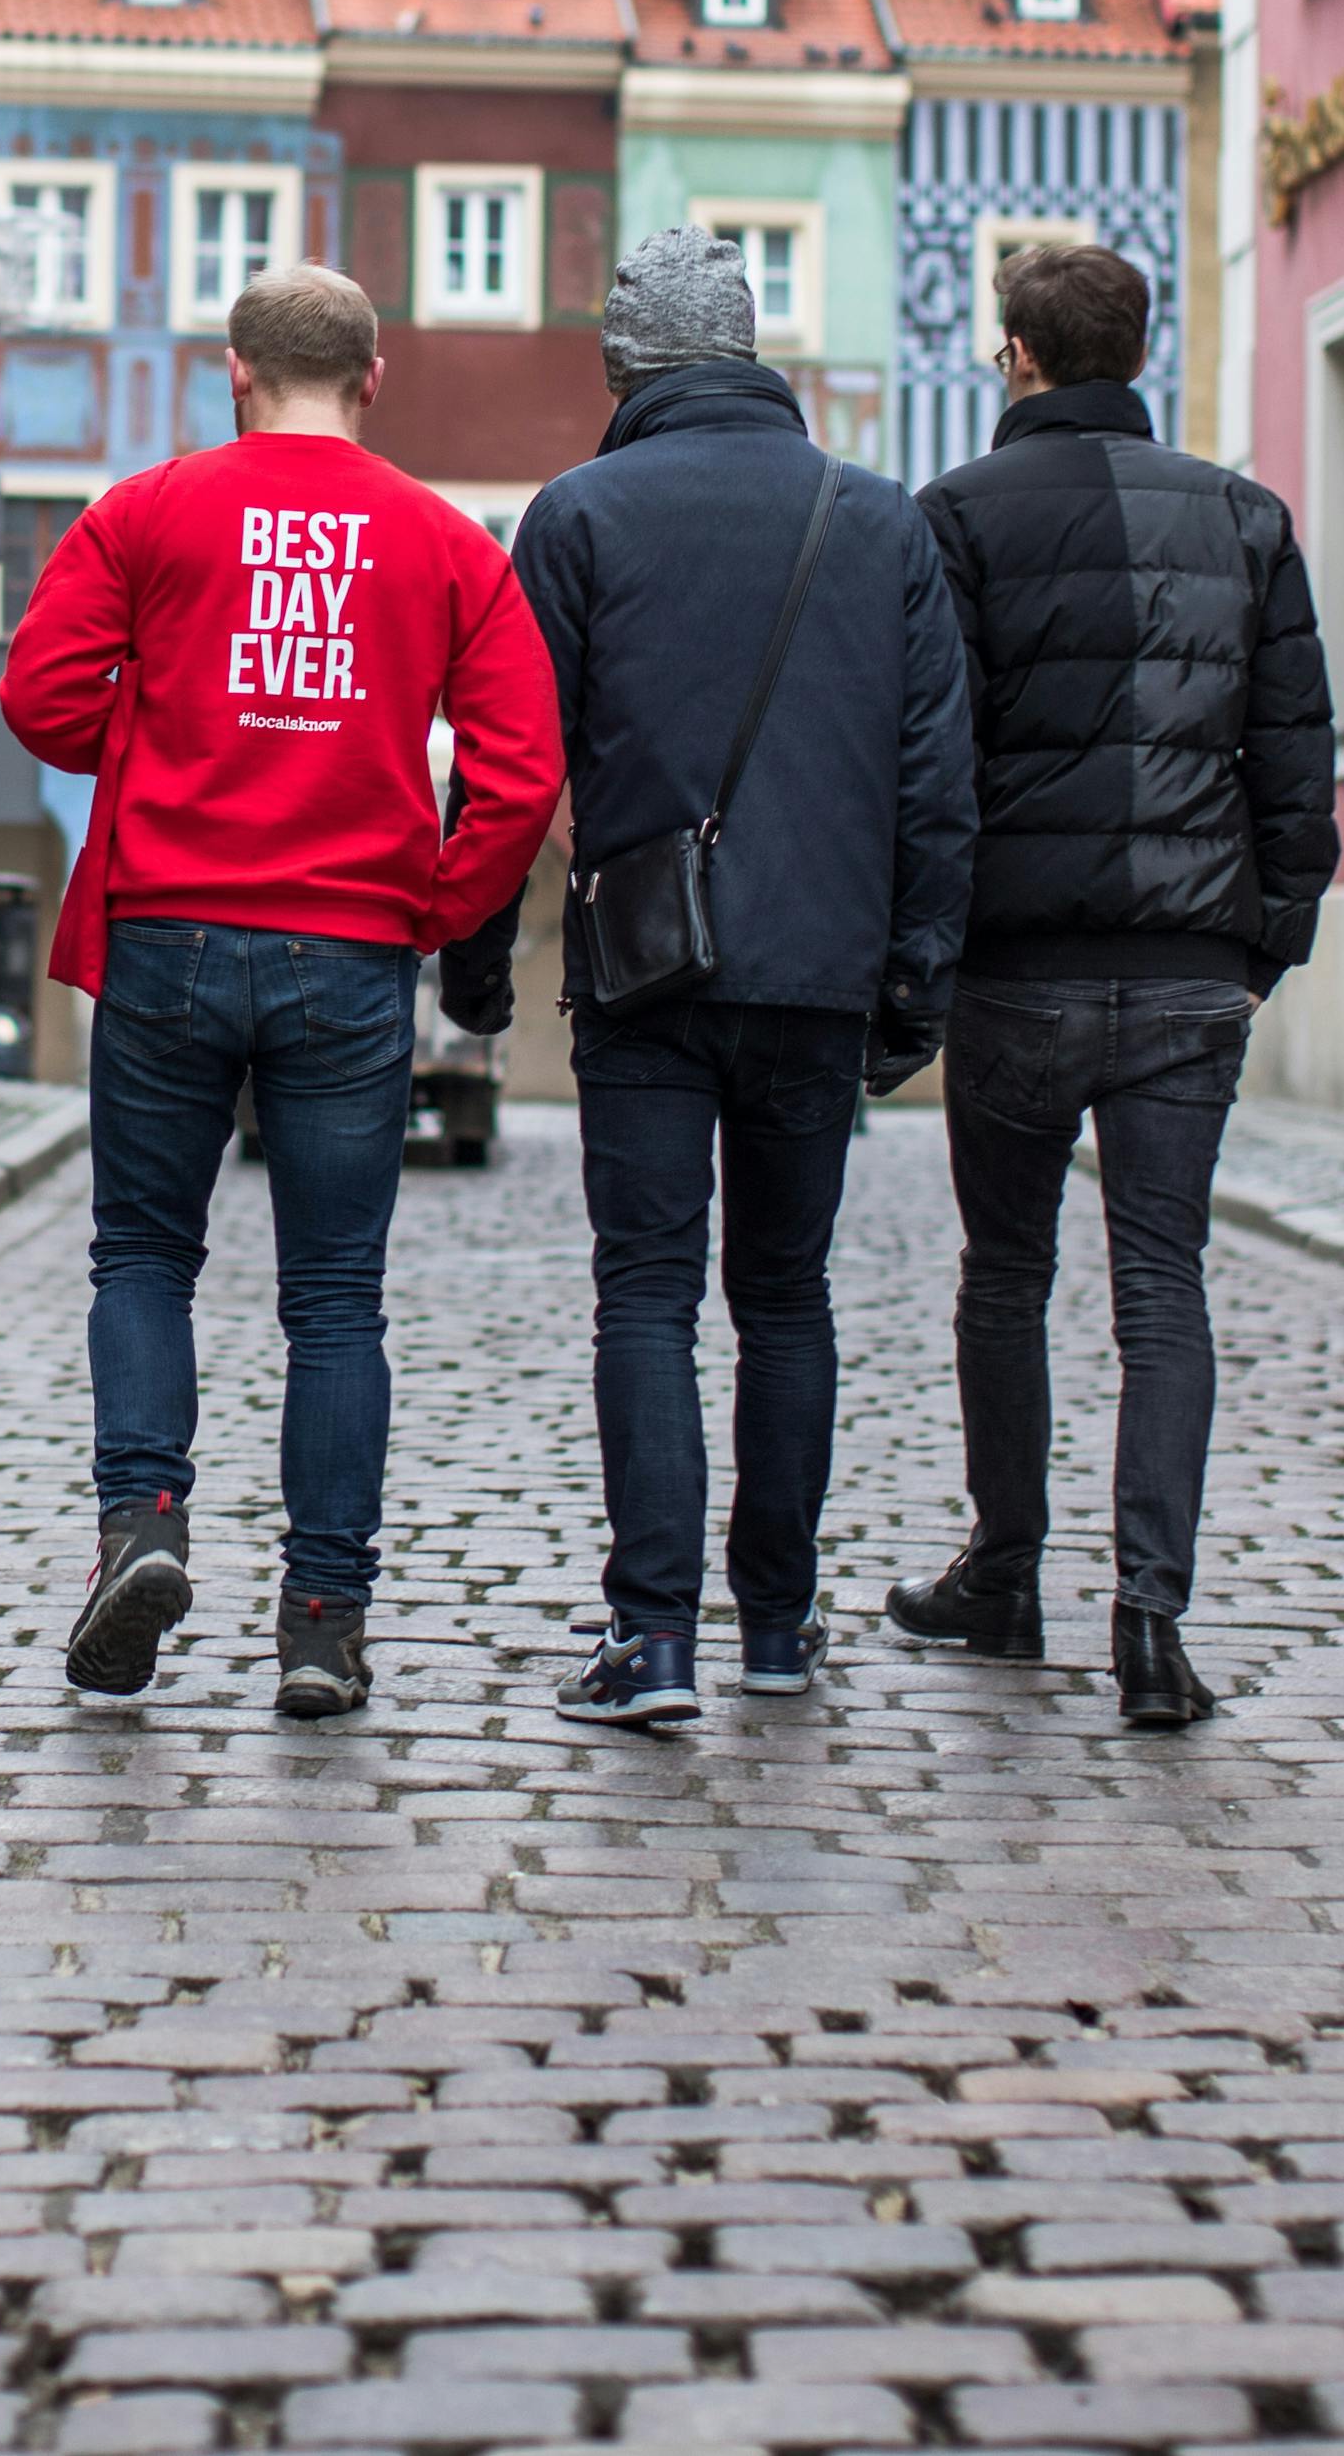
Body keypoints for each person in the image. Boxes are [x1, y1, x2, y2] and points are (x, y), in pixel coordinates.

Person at [0, 261, 563, 1720]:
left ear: (232, 370)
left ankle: (144, 1523)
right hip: (347, 953)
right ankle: (320, 1619)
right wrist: (433, 904)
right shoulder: (443, 541)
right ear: (373, 380)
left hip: (171, 932)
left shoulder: (147, 510)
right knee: (334, 1299)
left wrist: (163, 715)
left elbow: (41, 697)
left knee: (142, 1253)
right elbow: (521, 769)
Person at [501, 229, 974, 1732]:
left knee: (645, 1293)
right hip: (819, 971)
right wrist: (915, 985)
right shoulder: (879, 519)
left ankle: (651, 1640)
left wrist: (468, 962)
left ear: (625, 368)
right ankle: (777, 1622)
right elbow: (935, 780)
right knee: (787, 1299)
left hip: (645, 967)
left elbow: (519, 765)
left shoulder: (573, 516)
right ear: (755, 353)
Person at [896, 239, 1336, 1732]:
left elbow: (931, 766)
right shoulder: (1246, 519)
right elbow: (1292, 754)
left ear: (1015, 351)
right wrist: (1269, 933)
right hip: (1185, 968)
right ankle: (1151, 1626)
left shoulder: (953, 518)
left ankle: (1003, 1572)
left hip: (1014, 969)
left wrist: (924, 946)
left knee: (1004, 1276)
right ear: (1132, 351)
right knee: (1165, 1289)